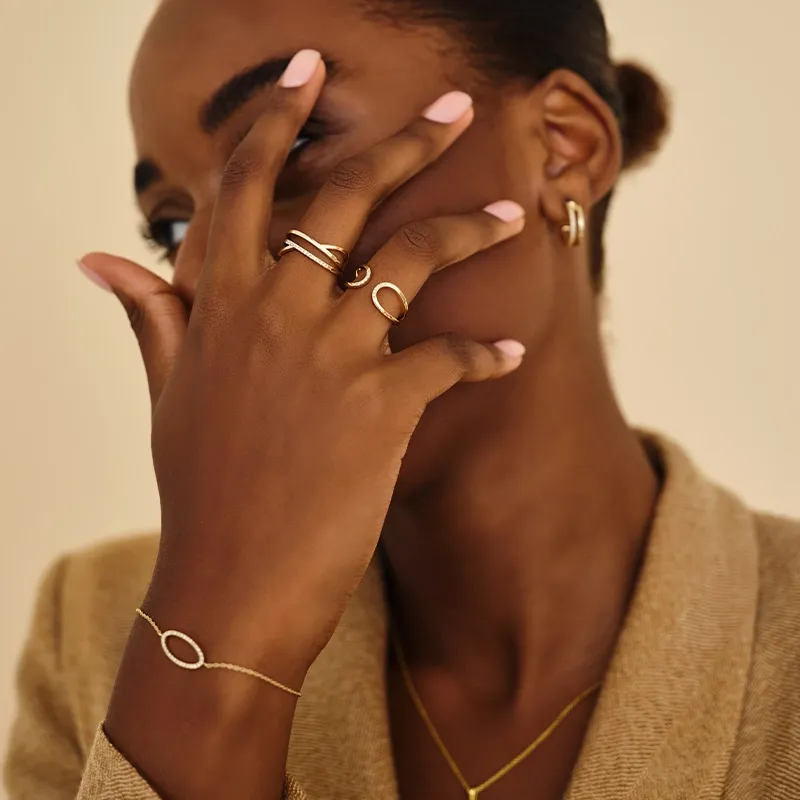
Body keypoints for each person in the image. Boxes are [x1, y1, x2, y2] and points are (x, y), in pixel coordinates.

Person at [5, 0, 800, 797]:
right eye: (171, 229)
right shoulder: (95, 633)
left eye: (298, 144)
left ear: (564, 145)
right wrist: (217, 629)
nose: (209, 273)